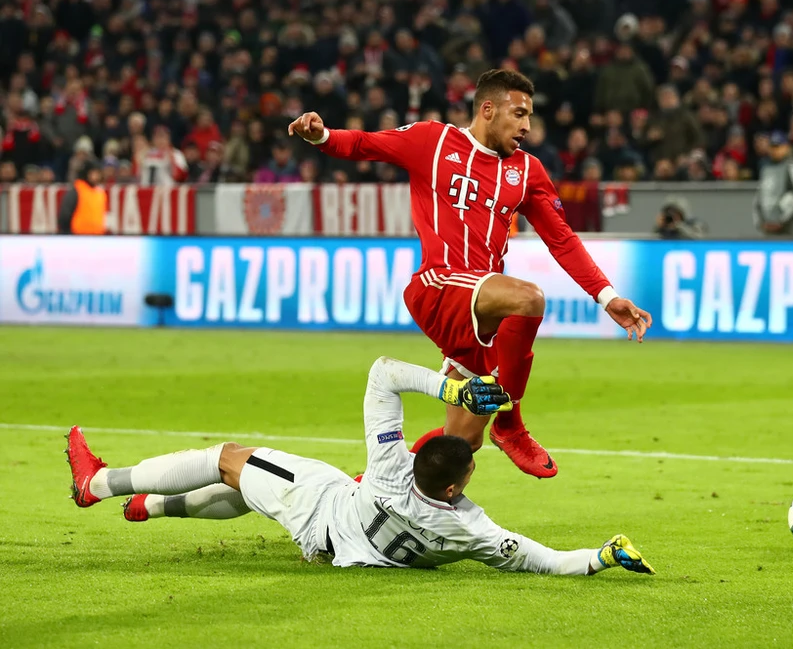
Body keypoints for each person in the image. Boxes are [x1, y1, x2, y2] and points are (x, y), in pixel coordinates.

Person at [288, 69, 652, 479]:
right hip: (438, 285)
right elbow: (362, 144)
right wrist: (320, 135)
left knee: (462, 441)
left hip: (483, 312)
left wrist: (607, 296)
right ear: (488, 109)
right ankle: (511, 424)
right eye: (518, 114)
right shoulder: (433, 141)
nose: (527, 127)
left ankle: (364, 492)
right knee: (529, 299)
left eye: (529, 116)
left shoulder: (528, 172)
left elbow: (562, 239)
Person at [65, 357, 654, 576]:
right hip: (347, 544)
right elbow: (542, 560)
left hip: (324, 510)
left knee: (230, 460)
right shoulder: (472, 530)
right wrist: (601, 556)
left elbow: (382, 373)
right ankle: (152, 505)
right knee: (250, 488)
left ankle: (96, 484)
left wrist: (451, 393)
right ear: (454, 485)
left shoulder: (391, 465)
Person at [752, 132, 793, 235]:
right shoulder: (766, 168)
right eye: (772, 147)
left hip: (789, 227)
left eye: (778, 147)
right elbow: (760, 196)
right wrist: (760, 222)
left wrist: (783, 221)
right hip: (768, 225)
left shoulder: (791, 167)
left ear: (786, 147)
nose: (774, 150)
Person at [57, 160, 107, 235]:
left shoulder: (100, 193)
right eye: (94, 173)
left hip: (97, 237)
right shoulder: (76, 191)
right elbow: (64, 216)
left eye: (98, 173)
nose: (97, 177)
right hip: (78, 237)